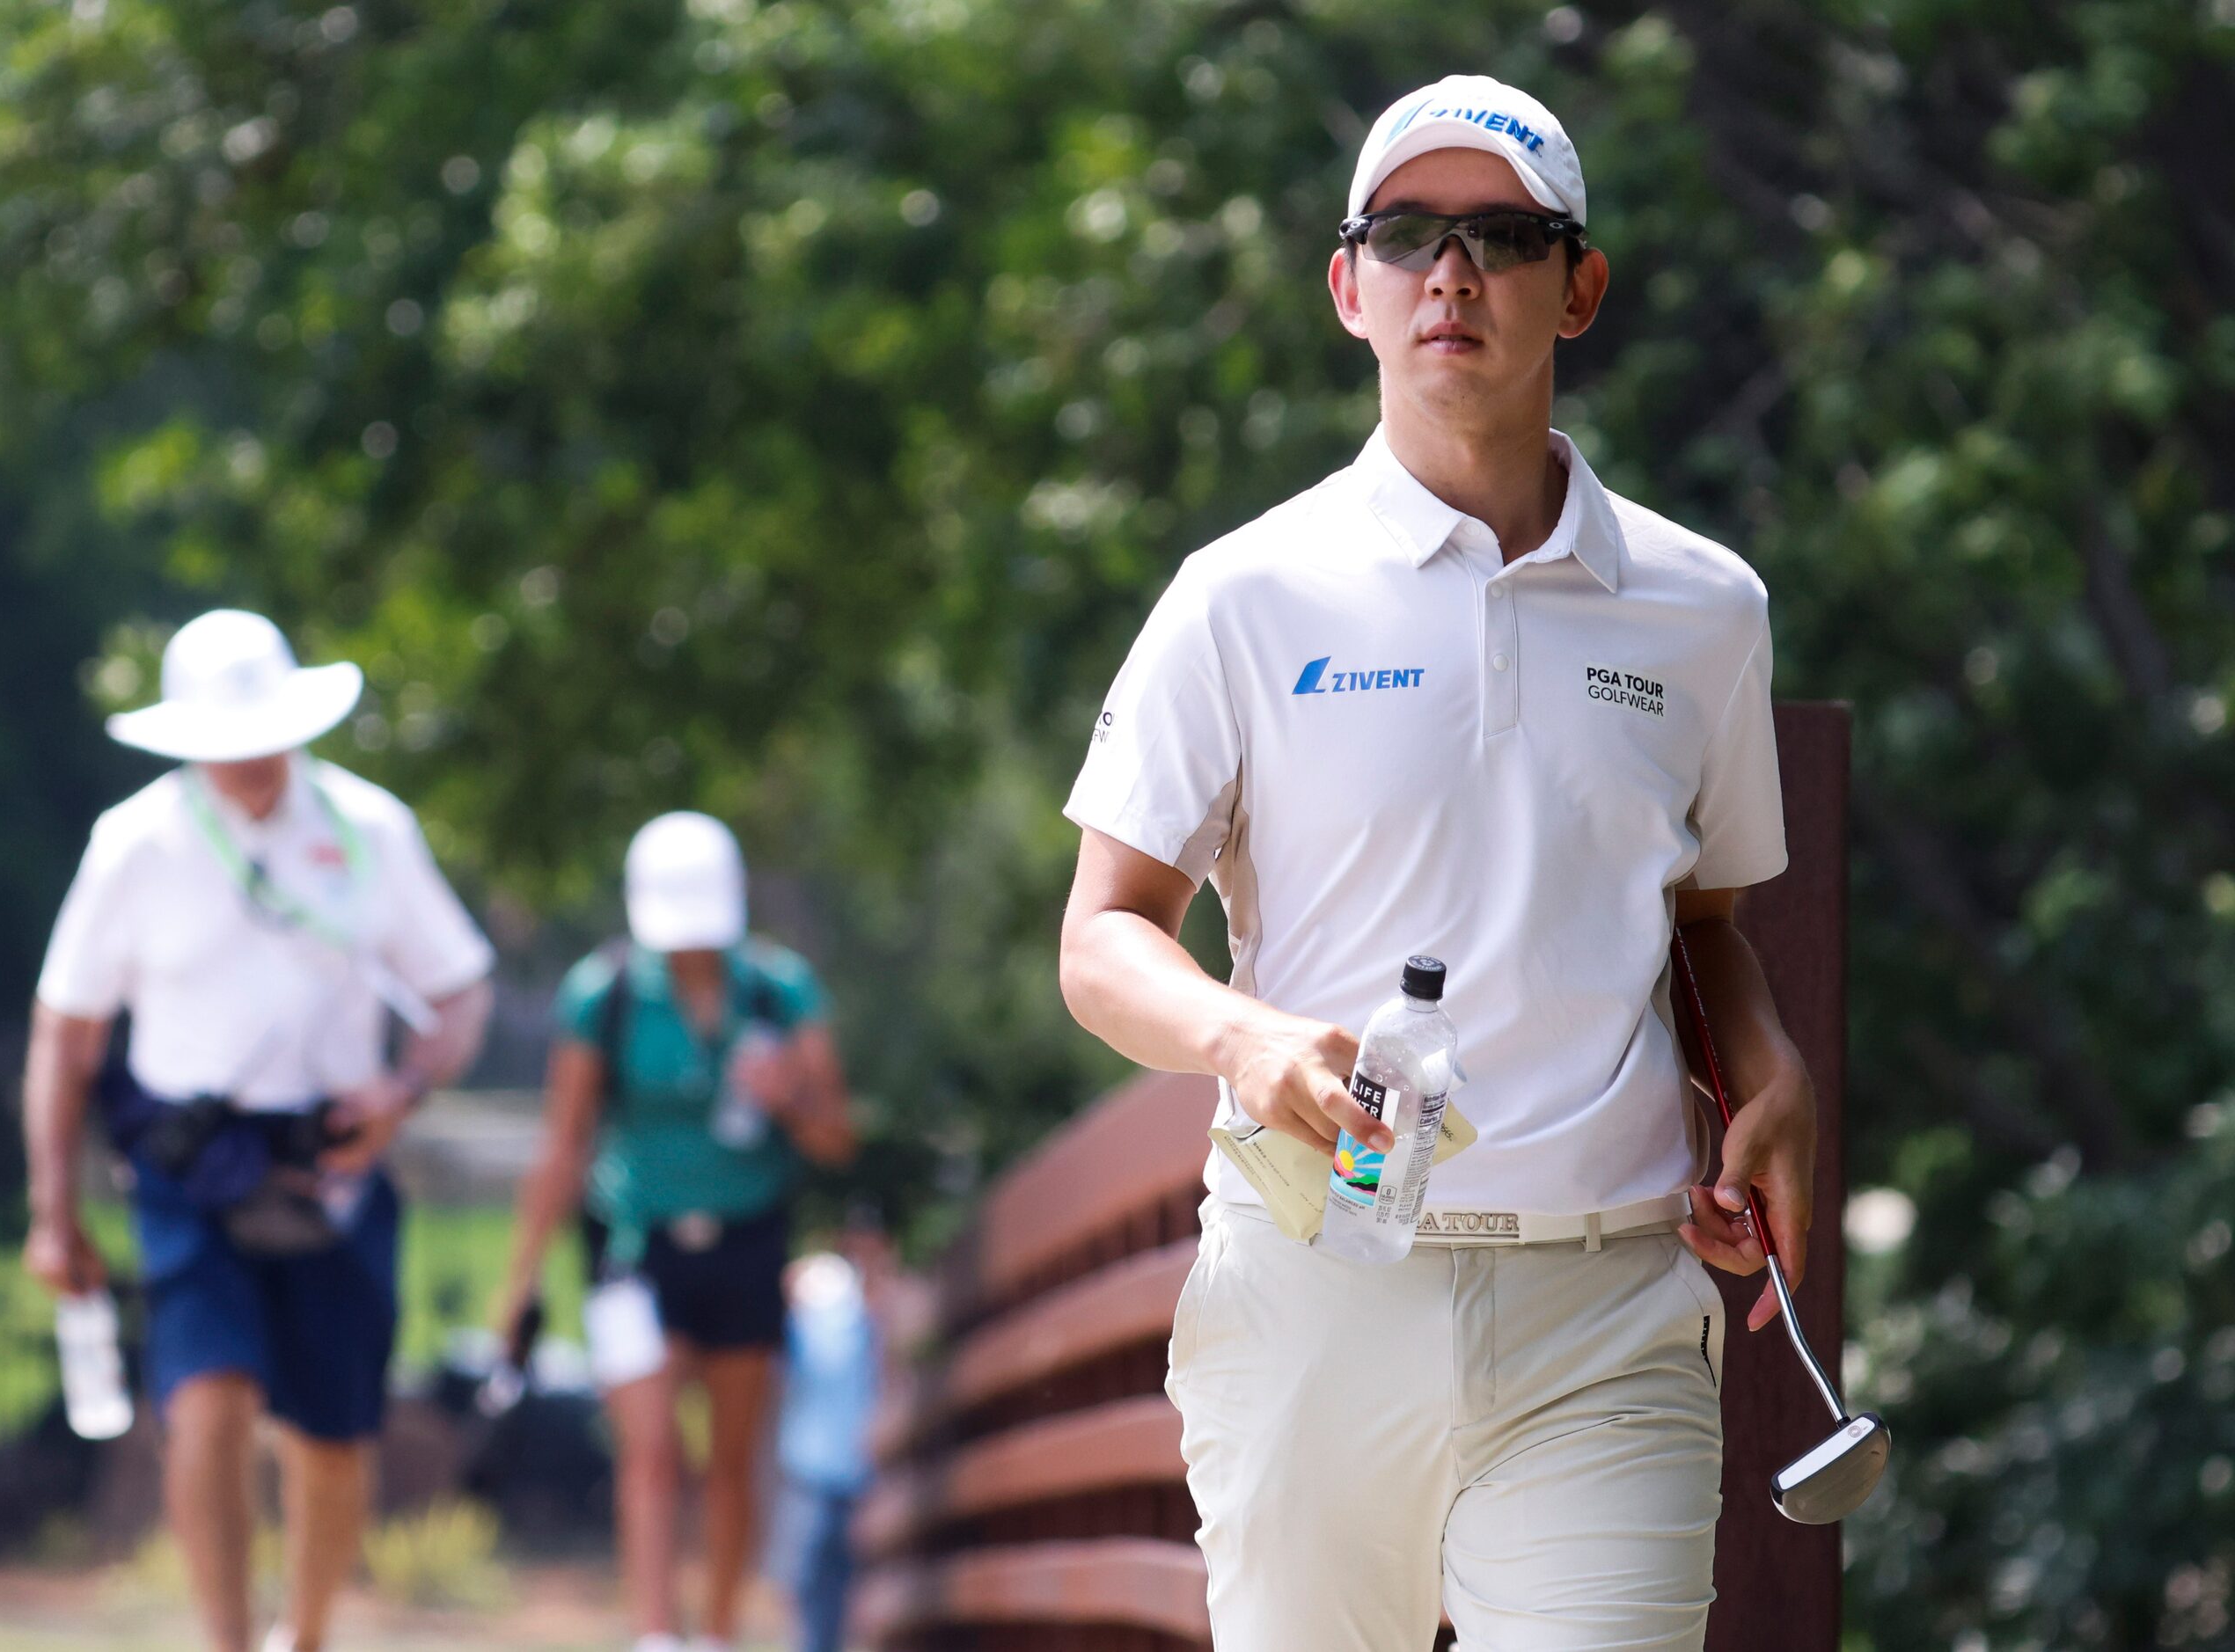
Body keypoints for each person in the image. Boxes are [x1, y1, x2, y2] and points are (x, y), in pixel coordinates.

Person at [1056, 75, 1816, 1649]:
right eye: (1406, 234)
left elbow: (1704, 918)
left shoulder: (1704, 608)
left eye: (1501, 235)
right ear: (1351, 287)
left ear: (1578, 285)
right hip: (1318, 1283)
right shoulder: (1241, 595)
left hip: (1606, 1309)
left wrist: (1770, 1066)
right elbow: (1103, 937)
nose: (1449, 273)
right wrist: (1240, 1033)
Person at [22, 609, 495, 1652]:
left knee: (332, 1435)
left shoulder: (372, 831)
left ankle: (309, 1632)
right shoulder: (134, 845)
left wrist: (403, 1089)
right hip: (188, 1165)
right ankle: (228, 1642)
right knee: (209, 1400)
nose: (243, 761)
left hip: (333, 1162)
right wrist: (53, 1213)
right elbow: (65, 1035)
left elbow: (459, 992)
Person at [497, 811, 856, 1652]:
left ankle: (720, 1633)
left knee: (732, 1461)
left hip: (747, 1242)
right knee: (652, 1452)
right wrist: (518, 1282)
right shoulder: (605, 992)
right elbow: (565, 1143)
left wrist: (786, 1098)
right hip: (634, 1249)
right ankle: (657, 1636)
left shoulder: (779, 989)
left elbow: (836, 1137)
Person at [766, 1241, 880, 1652]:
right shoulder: (864, 1328)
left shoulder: (804, 1331)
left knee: (811, 1582)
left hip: (819, 1480)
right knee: (827, 1585)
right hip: (836, 1479)